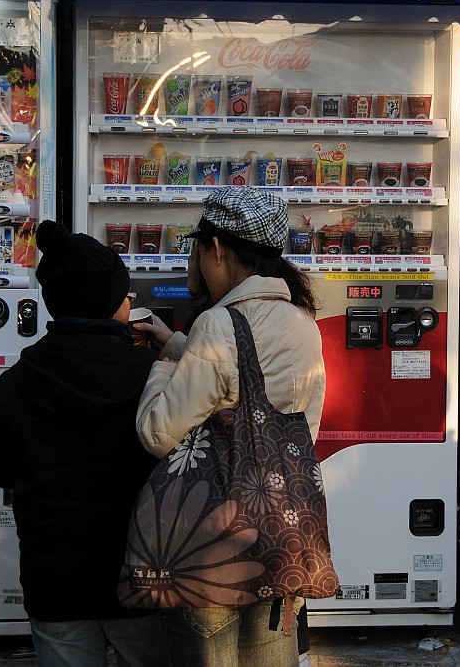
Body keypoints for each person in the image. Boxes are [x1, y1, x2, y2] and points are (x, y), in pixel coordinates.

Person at [135, 186, 327, 667]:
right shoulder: (303, 323)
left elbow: (157, 432)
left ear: (217, 249)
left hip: (213, 547)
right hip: (281, 540)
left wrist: (162, 363)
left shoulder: (219, 323)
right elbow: (274, 413)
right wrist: (181, 345)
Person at [0, 220, 169, 667]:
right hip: (139, 576)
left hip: (54, 580)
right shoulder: (150, 376)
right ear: (110, 303)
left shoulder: (17, 382)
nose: (129, 303)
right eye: (126, 295)